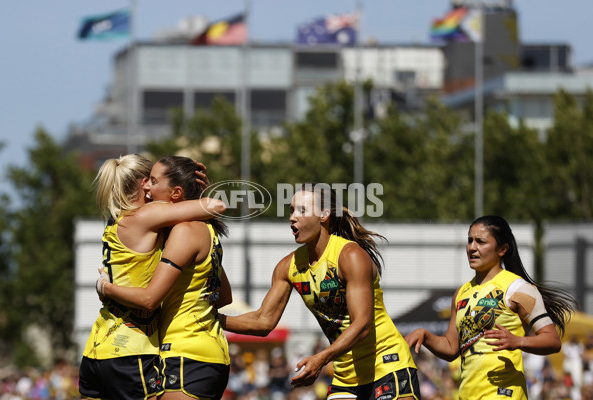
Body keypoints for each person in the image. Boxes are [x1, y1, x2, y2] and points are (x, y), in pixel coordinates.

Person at [218, 183, 421, 400]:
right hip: (346, 378)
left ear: (324, 215)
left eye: (302, 210)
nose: (292, 217)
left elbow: (361, 325)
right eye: (291, 210)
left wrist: (321, 358)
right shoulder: (288, 267)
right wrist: (211, 319)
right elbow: (263, 321)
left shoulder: (350, 256)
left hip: (387, 365)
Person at [79, 154, 225, 400]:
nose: (151, 188)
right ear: (142, 184)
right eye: (151, 181)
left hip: (96, 349)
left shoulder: (116, 220)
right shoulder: (146, 216)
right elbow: (216, 206)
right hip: (132, 350)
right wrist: (197, 191)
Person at [405, 215, 577, 400]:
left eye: (481, 242)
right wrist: (426, 336)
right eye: (470, 240)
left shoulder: (518, 289)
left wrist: (517, 341)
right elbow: (451, 347)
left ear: (502, 249)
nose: (472, 247)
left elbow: (552, 341)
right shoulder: (461, 293)